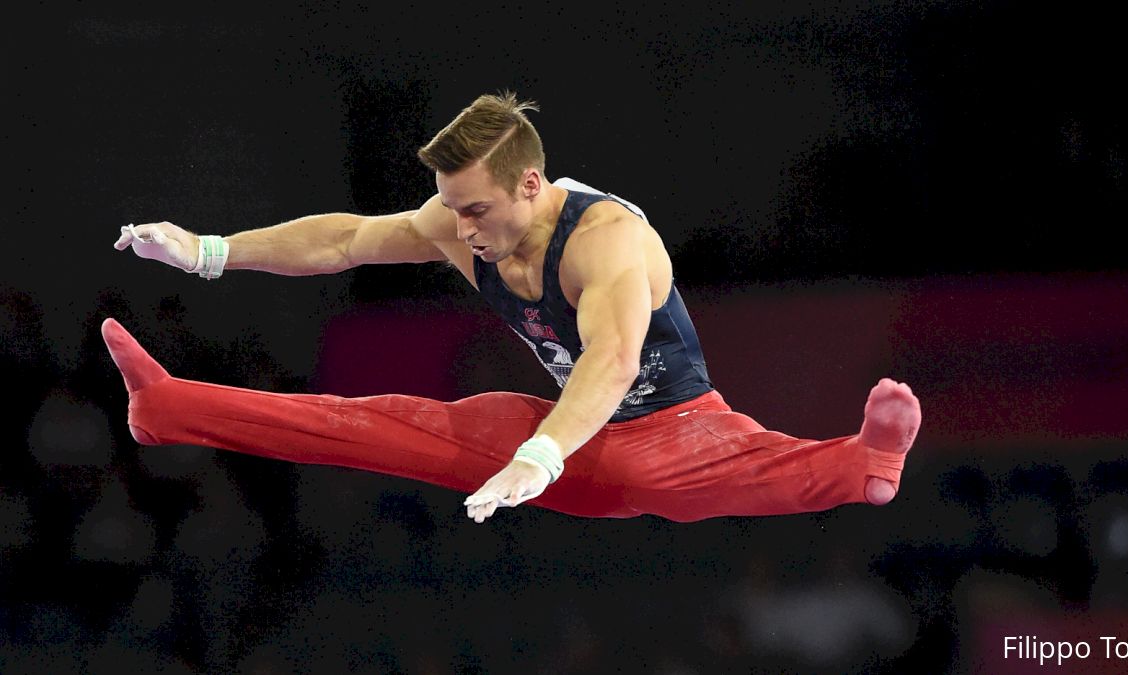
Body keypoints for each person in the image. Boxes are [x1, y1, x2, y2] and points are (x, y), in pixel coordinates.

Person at [106, 92, 921, 524]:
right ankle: (170, 406)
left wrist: (542, 455)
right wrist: (211, 250)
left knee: (673, 478)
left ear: (531, 183)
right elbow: (345, 240)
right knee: (376, 424)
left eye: (476, 211)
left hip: (670, 431)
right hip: (558, 435)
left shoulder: (606, 241)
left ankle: (865, 462)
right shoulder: (459, 224)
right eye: (451, 209)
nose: (459, 230)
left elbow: (613, 361)